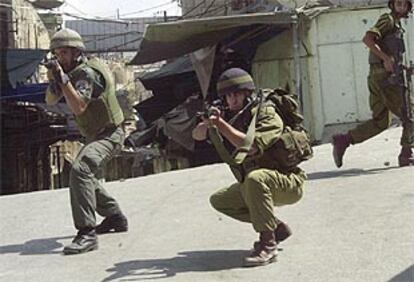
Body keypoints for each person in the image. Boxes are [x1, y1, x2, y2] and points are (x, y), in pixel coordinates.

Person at [192, 68, 306, 267]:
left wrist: (220, 125)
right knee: (220, 200)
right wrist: (208, 123)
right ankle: (276, 227)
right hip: (256, 185)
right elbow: (197, 136)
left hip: (288, 182)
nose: (232, 99)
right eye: (228, 95)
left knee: (255, 178)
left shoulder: (266, 113)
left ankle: (268, 244)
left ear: (247, 93)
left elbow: (250, 146)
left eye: (236, 94)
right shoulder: (230, 115)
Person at [45, 28, 128, 255]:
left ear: (76, 53)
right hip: (95, 134)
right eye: (57, 54)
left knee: (81, 169)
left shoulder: (87, 74)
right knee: (86, 175)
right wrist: (56, 78)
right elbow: (50, 100)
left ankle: (86, 233)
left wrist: (64, 80)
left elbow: (79, 106)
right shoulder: (71, 73)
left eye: (63, 53)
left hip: (111, 134)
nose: (60, 57)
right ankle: (115, 217)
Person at [332, 0, 414, 168]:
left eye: (404, 5)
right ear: (392, 5)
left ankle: (344, 140)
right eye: (398, 4)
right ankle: (407, 154)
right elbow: (368, 39)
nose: (401, 7)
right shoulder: (388, 20)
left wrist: (402, 66)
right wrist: (385, 59)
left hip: (379, 77)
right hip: (386, 79)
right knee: (410, 112)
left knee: (381, 121)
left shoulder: (396, 26)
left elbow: (389, 52)